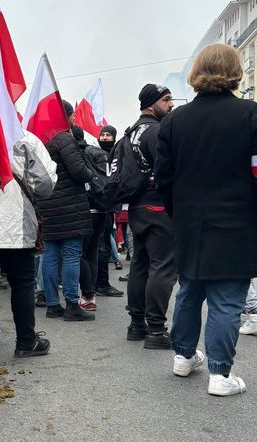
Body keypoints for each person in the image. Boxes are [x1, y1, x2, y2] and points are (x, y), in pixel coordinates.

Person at [155, 43, 257, 396]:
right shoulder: (251, 114)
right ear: (235, 71)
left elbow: (162, 177)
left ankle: (183, 357)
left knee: (189, 290)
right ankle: (219, 373)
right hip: (237, 221)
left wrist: (177, 211)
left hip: (188, 221)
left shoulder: (173, 120)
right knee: (227, 300)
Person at [0, 131, 56, 365]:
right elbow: (46, 183)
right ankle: (26, 342)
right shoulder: (24, 137)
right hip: (16, 219)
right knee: (23, 282)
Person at [125, 84, 177, 349]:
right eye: (166, 100)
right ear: (150, 104)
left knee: (140, 265)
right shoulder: (156, 131)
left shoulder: (131, 131)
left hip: (137, 207)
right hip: (158, 206)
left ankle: (136, 324)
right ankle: (156, 330)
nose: (171, 105)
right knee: (163, 267)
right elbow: (168, 168)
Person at [39, 125, 95, 321]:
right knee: (71, 255)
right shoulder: (64, 138)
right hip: (69, 206)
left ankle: (52, 304)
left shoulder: (39, 138)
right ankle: (72, 304)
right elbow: (78, 170)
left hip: (46, 204)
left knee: (49, 255)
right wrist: (91, 173)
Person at [73, 126, 110, 312]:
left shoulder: (74, 153)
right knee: (92, 253)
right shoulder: (98, 152)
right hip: (101, 208)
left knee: (77, 254)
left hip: (84, 208)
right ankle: (91, 294)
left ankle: (87, 295)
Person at [95, 125, 124, 297]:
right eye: (103, 135)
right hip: (100, 207)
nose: (105, 138)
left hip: (109, 207)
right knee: (102, 247)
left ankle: (100, 283)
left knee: (104, 245)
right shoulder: (95, 155)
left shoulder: (117, 155)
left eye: (108, 135)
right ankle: (101, 284)